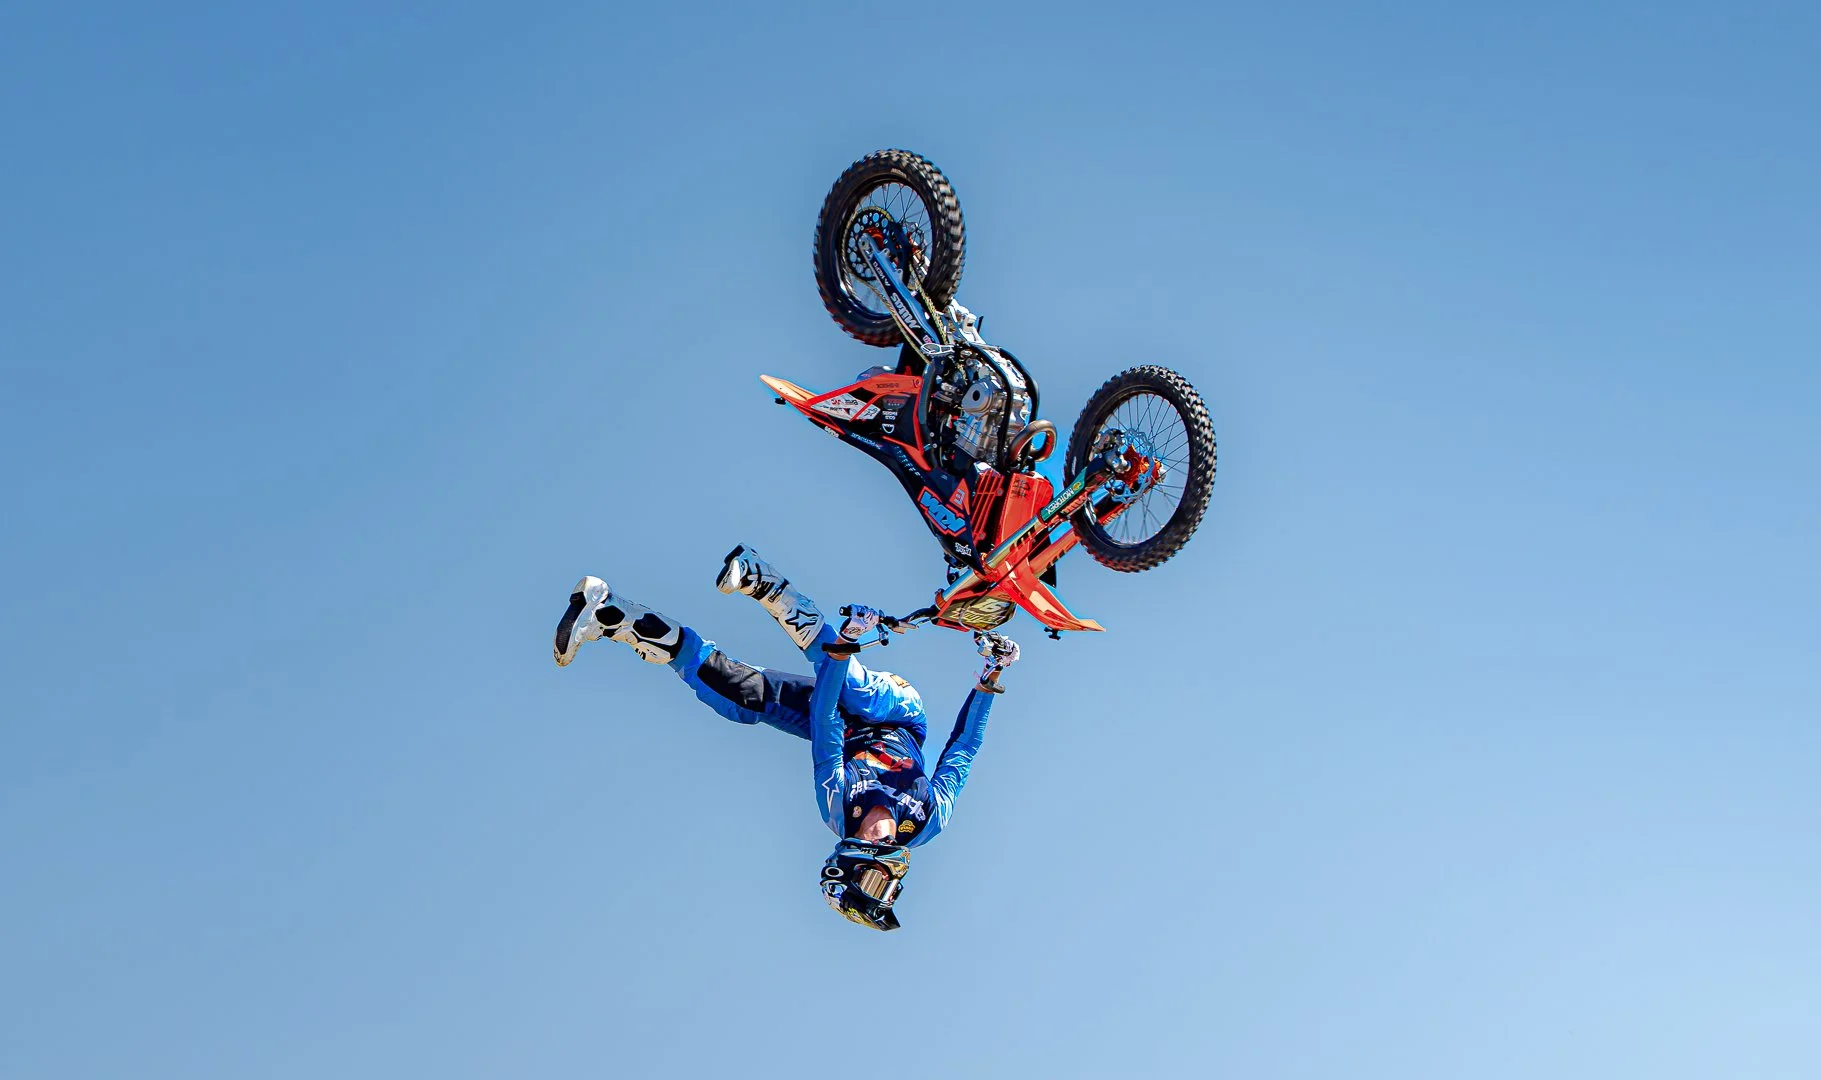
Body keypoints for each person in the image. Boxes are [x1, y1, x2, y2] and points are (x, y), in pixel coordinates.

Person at [552, 545, 1019, 931]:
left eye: (878, 886)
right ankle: (764, 580)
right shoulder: (927, 820)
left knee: (736, 697)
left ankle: (612, 615)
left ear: (855, 861)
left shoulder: (837, 802)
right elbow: (962, 750)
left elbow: (824, 721)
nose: (894, 883)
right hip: (900, 714)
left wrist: (841, 650)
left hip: (840, 723)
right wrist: (989, 680)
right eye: (890, 891)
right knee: (855, 687)